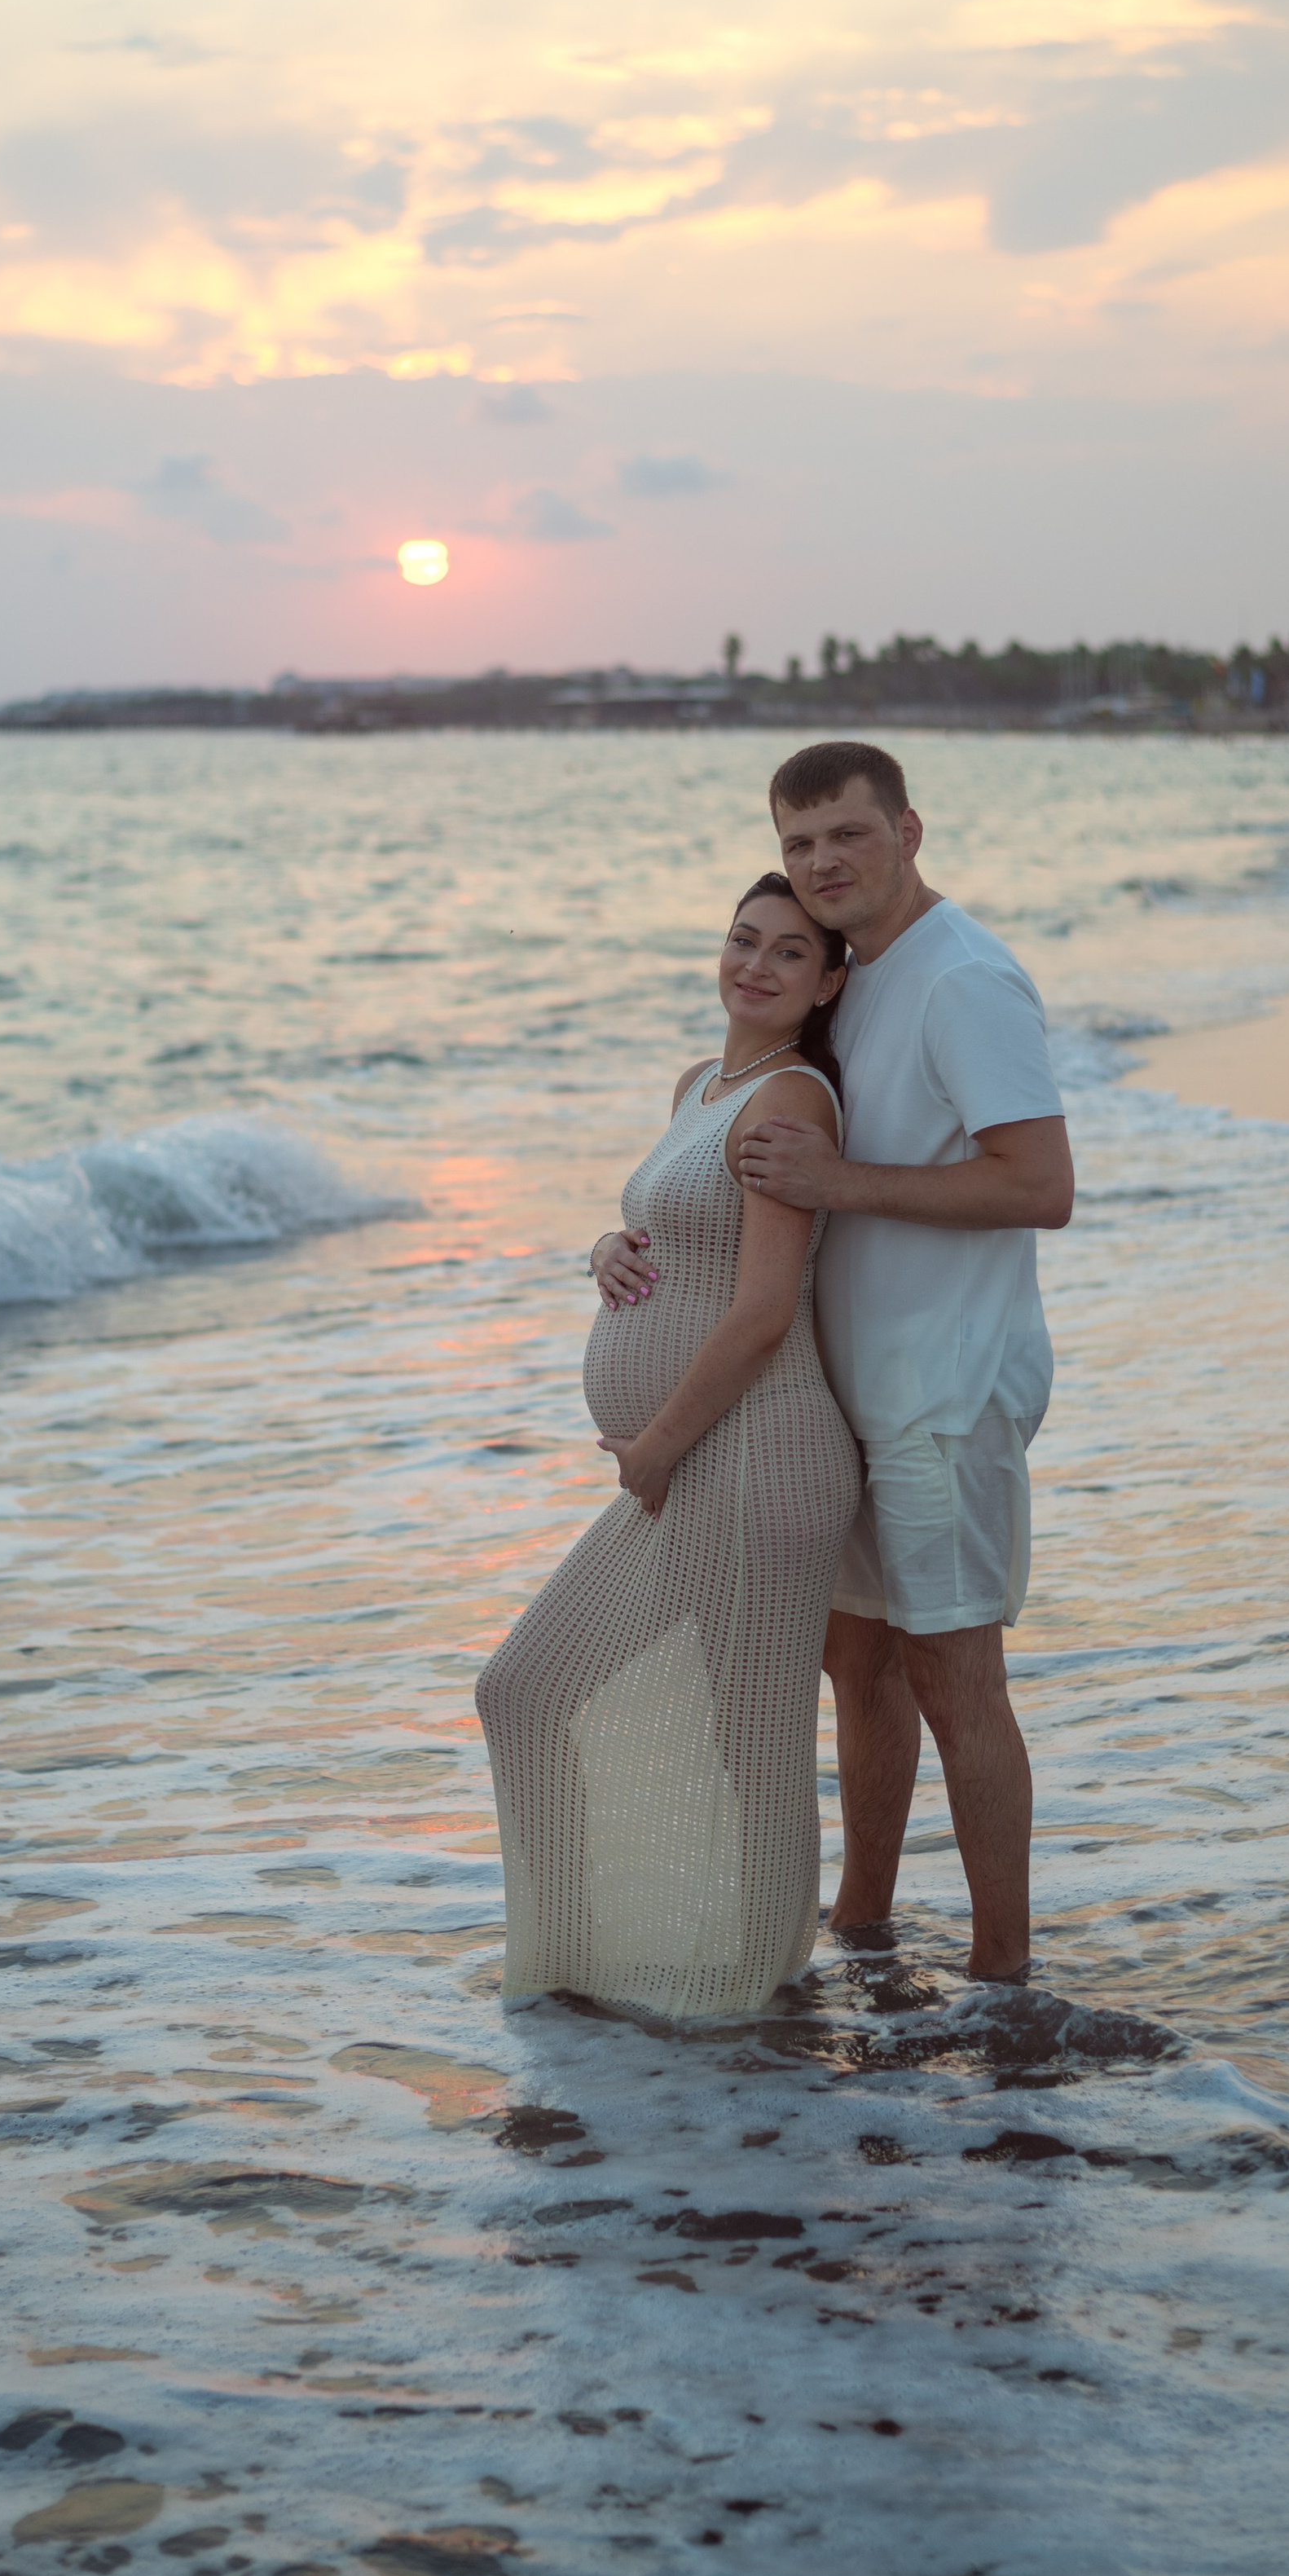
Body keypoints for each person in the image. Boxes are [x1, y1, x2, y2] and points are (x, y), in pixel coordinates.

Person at [475, 878, 861, 2021]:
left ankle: (754, 1986)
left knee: (729, 1732)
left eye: (790, 954)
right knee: (540, 1695)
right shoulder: (705, 1085)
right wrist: (607, 1244)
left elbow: (762, 1311)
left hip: (754, 1451)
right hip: (704, 1455)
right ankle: (599, 1965)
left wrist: (656, 1450)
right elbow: (679, 1231)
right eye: (744, 940)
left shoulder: (791, 1102)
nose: (756, 965)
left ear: (829, 982)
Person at [738, 742, 1073, 1984]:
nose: (820, 863)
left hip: (946, 1385)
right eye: (797, 844)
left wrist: (840, 1184)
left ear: (909, 830)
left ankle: (1001, 1976)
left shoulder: (964, 980)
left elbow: (1041, 1187)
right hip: (854, 1394)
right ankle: (862, 1926)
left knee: (955, 1675)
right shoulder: (855, 978)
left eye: (845, 835)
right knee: (859, 1659)